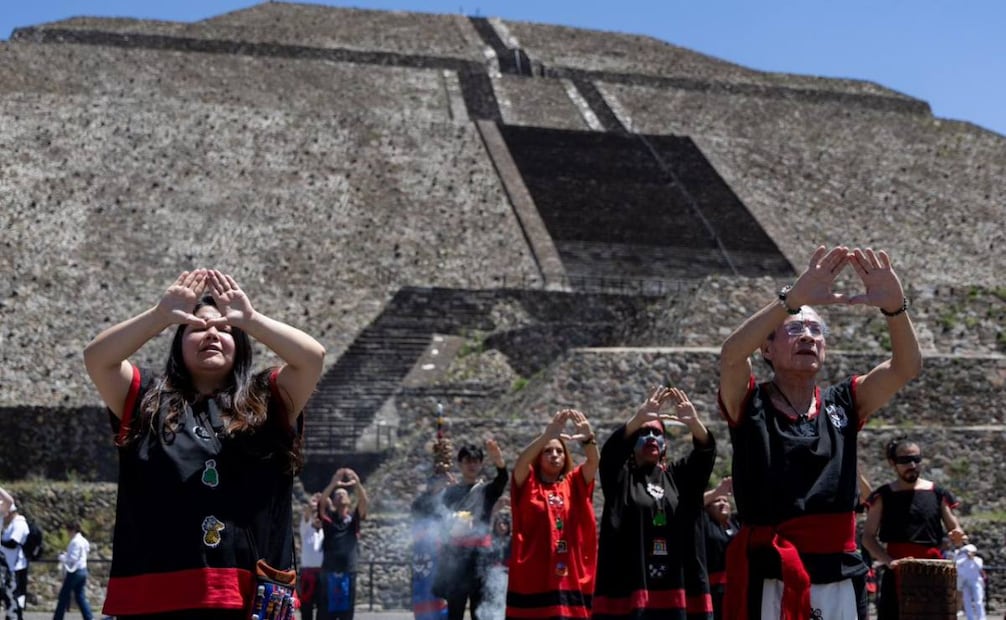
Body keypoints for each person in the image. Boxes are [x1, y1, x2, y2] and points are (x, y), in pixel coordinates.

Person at [82, 268, 326, 619]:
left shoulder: (267, 401)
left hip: (250, 598)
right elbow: (98, 359)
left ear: (240, 344)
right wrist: (160, 316)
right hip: (158, 597)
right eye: (197, 328)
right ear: (178, 343)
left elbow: (311, 359)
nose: (211, 333)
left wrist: (251, 320)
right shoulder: (147, 401)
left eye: (225, 329)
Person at [718, 245, 923, 620]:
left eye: (816, 330)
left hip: (840, 570)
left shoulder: (844, 401)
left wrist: (895, 309)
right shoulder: (750, 403)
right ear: (767, 347)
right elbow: (731, 355)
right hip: (772, 570)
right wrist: (791, 300)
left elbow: (905, 368)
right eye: (795, 328)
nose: (808, 336)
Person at [593, 386, 716, 620]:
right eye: (644, 432)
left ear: (665, 445)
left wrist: (694, 423)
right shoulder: (621, 480)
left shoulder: (679, 478)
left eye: (657, 433)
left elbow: (705, 454)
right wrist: (640, 417)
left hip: (677, 592)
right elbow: (610, 454)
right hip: (631, 593)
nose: (651, 437)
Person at [506, 409, 599, 620]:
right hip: (534, 577)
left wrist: (588, 439)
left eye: (559, 451)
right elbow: (521, 464)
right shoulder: (529, 484)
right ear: (539, 458)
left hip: (569, 576)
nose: (554, 455)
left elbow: (593, 463)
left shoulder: (574, 484)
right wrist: (547, 436)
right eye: (548, 451)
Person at [861, 439, 965, 620]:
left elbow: (956, 530)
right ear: (893, 463)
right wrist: (888, 561)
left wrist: (957, 535)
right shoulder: (883, 496)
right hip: (897, 571)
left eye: (916, 459)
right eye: (905, 460)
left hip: (934, 573)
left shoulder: (937, 493)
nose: (912, 465)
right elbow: (868, 538)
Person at [429, 440, 508, 620]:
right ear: (460, 464)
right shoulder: (449, 493)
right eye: (467, 461)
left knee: (479, 611)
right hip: (456, 556)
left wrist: (499, 462)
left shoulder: (486, 491)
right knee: (455, 609)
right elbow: (439, 519)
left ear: (480, 464)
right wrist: (454, 524)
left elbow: (502, 480)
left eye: (475, 461)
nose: (472, 465)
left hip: (480, 556)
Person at [317, 468, 368, 620]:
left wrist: (357, 484)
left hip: (348, 571)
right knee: (326, 613)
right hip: (329, 572)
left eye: (343, 493)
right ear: (333, 500)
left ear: (349, 500)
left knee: (346, 614)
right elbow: (321, 503)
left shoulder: (353, 519)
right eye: (337, 495)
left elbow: (364, 502)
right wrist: (333, 484)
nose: (340, 495)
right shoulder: (329, 519)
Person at [702, 477, 738, 620]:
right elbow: (691, 505)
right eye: (717, 501)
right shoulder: (705, 523)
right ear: (708, 508)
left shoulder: (735, 524)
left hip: (738, 589)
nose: (723, 503)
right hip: (715, 592)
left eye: (725, 501)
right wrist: (718, 491)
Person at [53, 521, 94, 620]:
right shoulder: (83, 540)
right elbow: (87, 550)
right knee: (80, 596)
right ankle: (89, 617)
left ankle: (57, 618)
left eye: (68, 530)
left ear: (72, 530)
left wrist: (63, 557)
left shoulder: (75, 541)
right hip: (83, 570)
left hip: (74, 571)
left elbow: (73, 558)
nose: (67, 533)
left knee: (63, 596)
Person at [0, 487, 28, 620]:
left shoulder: (19, 524)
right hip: (9, 563)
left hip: (12, 565)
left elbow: (9, 501)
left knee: (13, 595)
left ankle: (14, 615)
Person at [300, 493, 326, 620]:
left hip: (323, 573)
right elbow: (307, 514)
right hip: (307, 573)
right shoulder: (306, 529)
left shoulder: (327, 531)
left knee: (323, 607)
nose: (317, 518)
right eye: (315, 515)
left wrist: (326, 501)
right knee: (306, 606)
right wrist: (312, 504)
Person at [956, 543, 986, 620]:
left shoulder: (978, 559)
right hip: (965, 583)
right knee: (967, 602)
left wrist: (972, 558)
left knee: (978, 601)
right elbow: (957, 565)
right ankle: (970, 618)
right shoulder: (962, 560)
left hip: (976, 582)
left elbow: (979, 567)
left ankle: (981, 618)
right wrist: (965, 557)